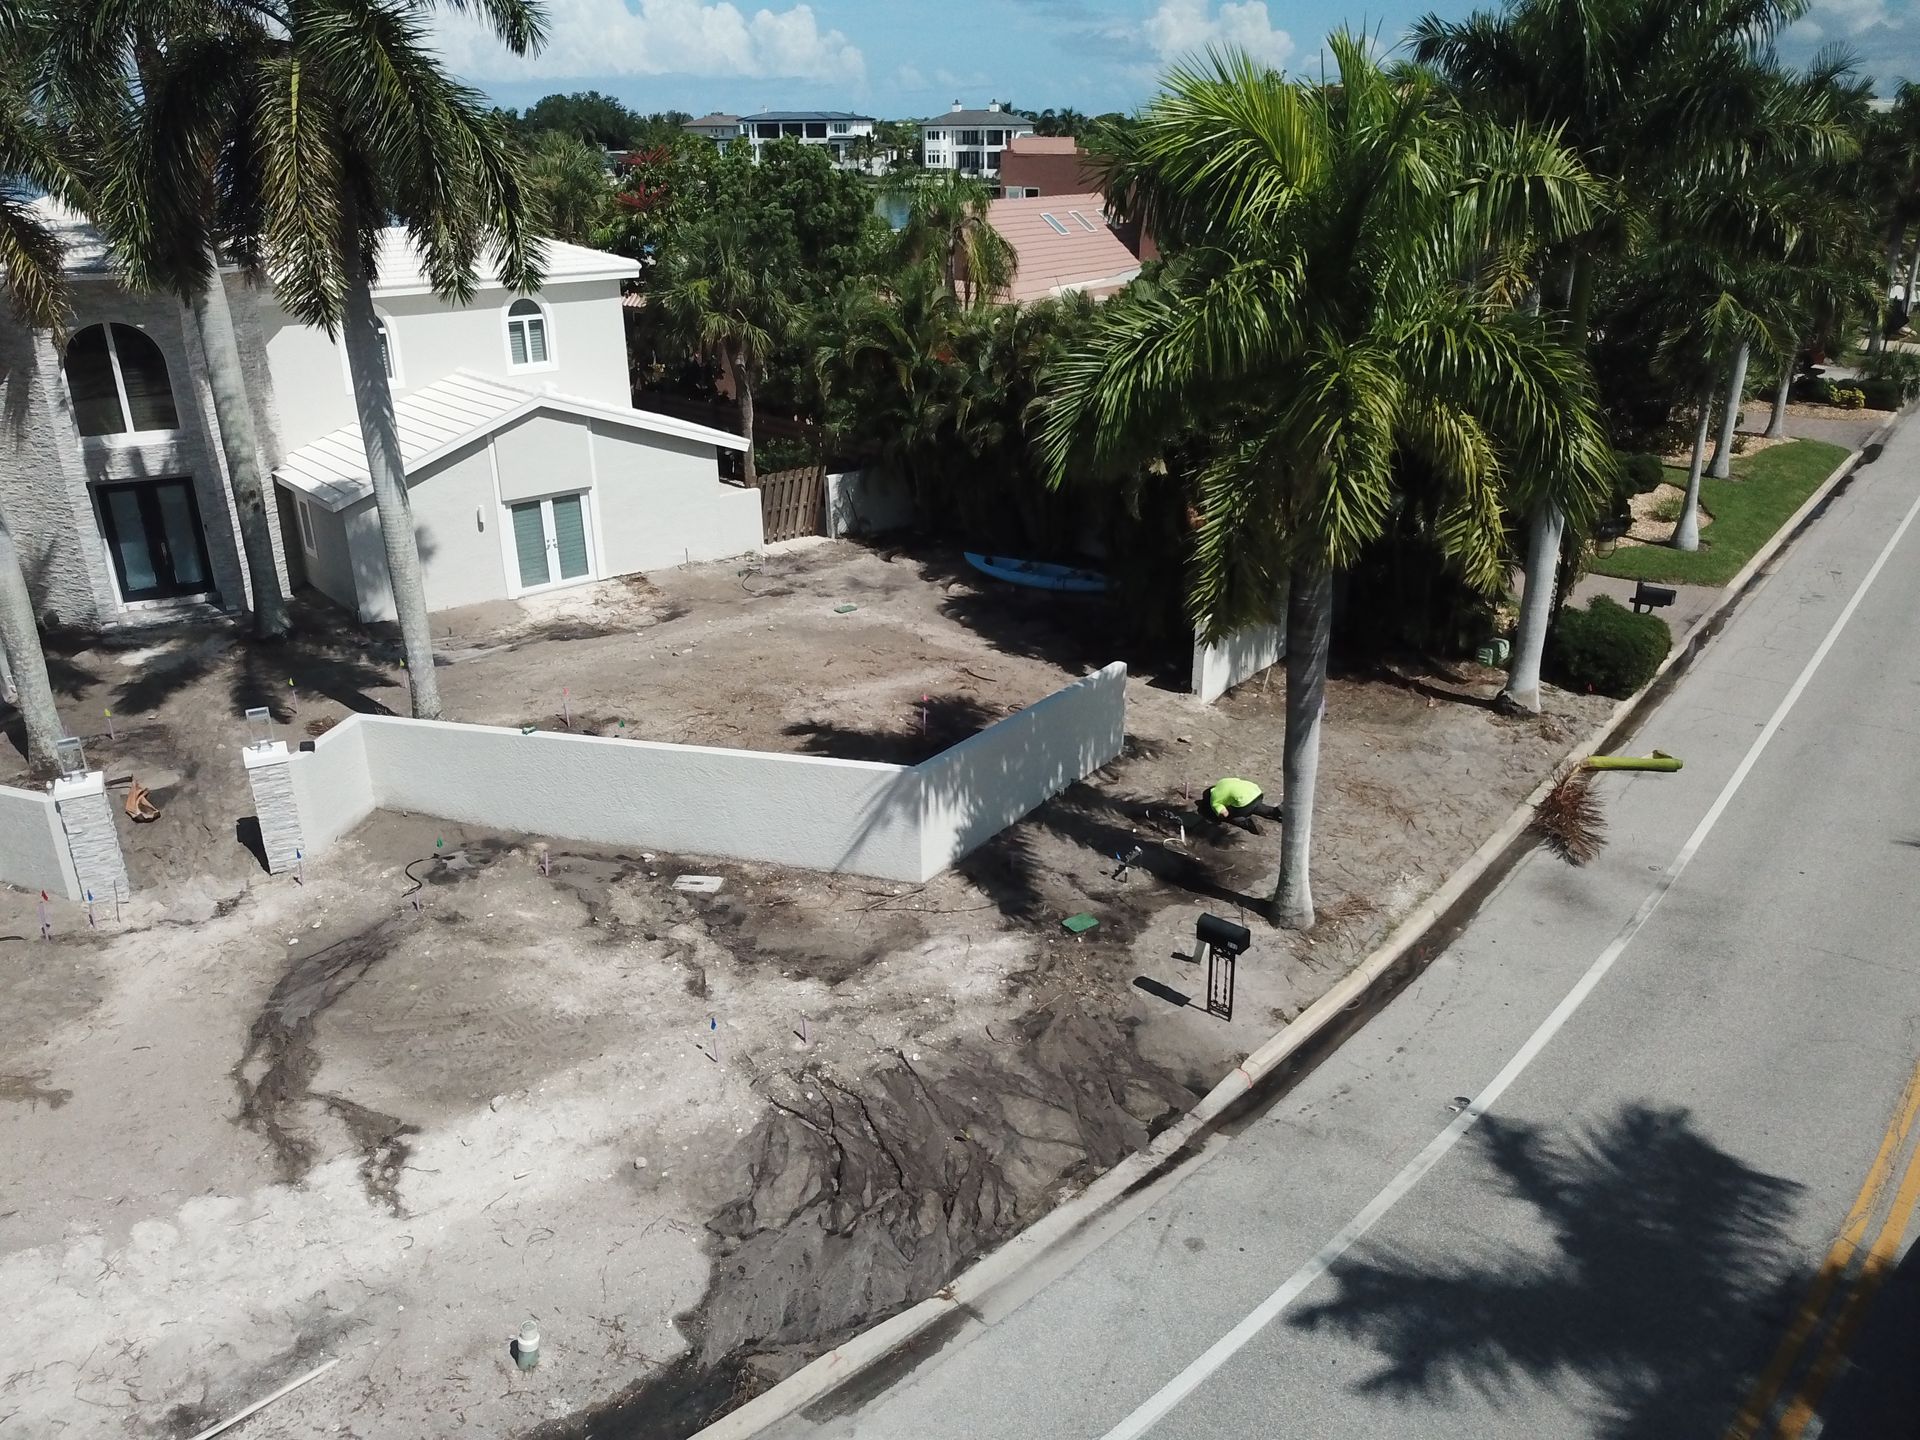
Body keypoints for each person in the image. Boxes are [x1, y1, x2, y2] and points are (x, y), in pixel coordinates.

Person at [1198, 777, 1282, 834]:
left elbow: (1224, 813)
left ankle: (1248, 824)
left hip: (1244, 802)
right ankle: (1276, 812)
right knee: (1256, 806)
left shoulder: (1214, 800)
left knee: (1232, 816)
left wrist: (1220, 817)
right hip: (1256, 792)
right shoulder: (1222, 781)